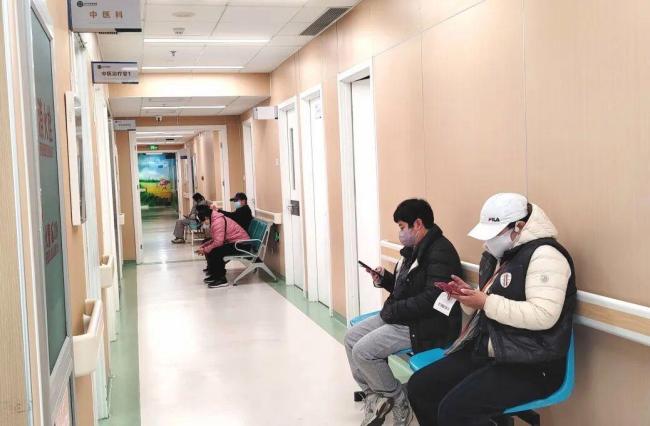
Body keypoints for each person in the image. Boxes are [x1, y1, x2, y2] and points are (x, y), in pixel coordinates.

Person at [407, 193, 576, 426]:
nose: (488, 241)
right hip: (492, 349)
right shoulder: (501, 256)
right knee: (420, 388)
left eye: (495, 233)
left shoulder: (546, 255)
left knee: (455, 411)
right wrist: (468, 297)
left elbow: (544, 315)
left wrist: (485, 302)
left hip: (533, 363)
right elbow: (490, 301)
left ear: (519, 226)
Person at [344, 199, 462, 426]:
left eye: (401, 227)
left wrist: (395, 310)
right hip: (404, 316)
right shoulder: (412, 252)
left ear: (417, 224)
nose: (400, 233)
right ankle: (374, 396)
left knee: (363, 352)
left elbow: (431, 299)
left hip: (426, 324)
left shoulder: (440, 252)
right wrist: (385, 280)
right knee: (351, 338)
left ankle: (398, 400)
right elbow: (407, 289)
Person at [196, 205, 250, 288]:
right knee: (212, 249)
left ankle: (221, 279)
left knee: (216, 251)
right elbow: (215, 239)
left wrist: (205, 250)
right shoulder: (215, 219)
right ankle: (215, 275)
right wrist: (204, 246)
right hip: (236, 242)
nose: (203, 224)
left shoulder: (218, 222)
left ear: (206, 217)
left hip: (242, 244)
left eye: (203, 221)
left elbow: (218, 242)